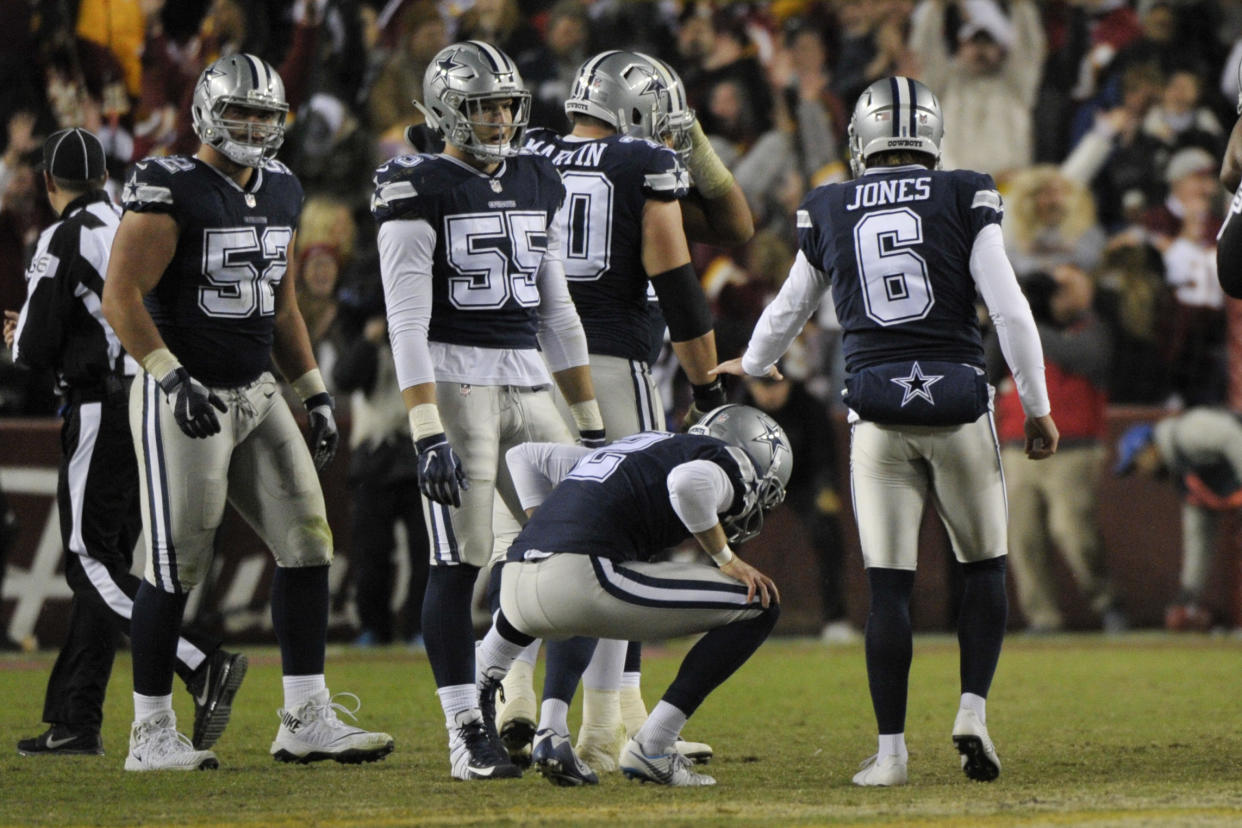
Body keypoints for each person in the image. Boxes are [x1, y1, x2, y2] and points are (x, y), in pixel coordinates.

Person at [714, 76, 1059, 787]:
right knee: (984, 566)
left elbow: (788, 308)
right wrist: (1039, 404)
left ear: (861, 140)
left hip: (876, 414)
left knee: (889, 588)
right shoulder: (965, 192)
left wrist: (754, 363)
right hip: (960, 403)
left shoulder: (831, 205)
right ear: (931, 135)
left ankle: (893, 753)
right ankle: (972, 710)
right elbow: (1011, 310)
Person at [101, 54, 393, 772]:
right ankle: (151, 733)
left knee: (308, 542)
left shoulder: (286, 187)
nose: (256, 126)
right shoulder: (172, 187)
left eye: (266, 114)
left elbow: (282, 304)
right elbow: (121, 296)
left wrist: (315, 390)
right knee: (175, 563)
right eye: (242, 112)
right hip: (184, 389)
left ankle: (304, 717)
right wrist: (170, 378)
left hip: (257, 389)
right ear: (206, 111)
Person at [372, 40, 604, 781]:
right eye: (482, 105)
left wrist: (591, 420)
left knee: (579, 544)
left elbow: (556, 309)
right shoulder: (414, 185)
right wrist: (426, 429)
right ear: (446, 109)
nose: (499, 118)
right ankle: (463, 729)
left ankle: (548, 719)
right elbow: (406, 321)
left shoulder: (538, 175)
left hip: (530, 381)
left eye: (506, 104)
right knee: (459, 559)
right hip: (455, 382)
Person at [510, 49, 729, 778]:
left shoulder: (525, 146)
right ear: (635, 113)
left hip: (513, 367)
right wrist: (708, 389)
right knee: (618, 544)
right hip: (605, 367)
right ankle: (605, 723)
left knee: (530, 539)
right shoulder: (638, 162)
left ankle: (511, 698)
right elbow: (679, 286)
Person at [7, 127, 245, 757]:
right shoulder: (129, 217)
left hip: (98, 405)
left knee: (88, 559)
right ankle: (75, 718)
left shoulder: (63, 233)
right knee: (106, 560)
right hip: (147, 397)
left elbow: (33, 347)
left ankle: (196, 661)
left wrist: (17, 334)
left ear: (47, 184)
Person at [475, 404, 789, 787]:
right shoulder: (727, 461)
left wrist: (543, 523)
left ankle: (492, 722)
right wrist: (726, 559)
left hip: (516, 580)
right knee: (761, 604)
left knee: (608, 575)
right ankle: (653, 747)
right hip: (580, 579)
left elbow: (524, 457)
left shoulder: (637, 447)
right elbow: (688, 485)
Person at [987, 266, 1125, 634]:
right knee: (1024, 535)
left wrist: (1023, 322)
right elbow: (987, 367)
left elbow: (1087, 358)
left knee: (1072, 530)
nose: (1057, 294)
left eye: (1066, 286)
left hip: (1073, 448)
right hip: (1019, 446)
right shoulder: (1016, 328)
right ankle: (1043, 616)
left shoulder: (1092, 330)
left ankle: (1106, 602)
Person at [1114, 408, 1242, 631]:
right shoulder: (1185, 477)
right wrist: (1189, 592)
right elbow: (1199, 537)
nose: (1141, 471)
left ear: (1149, 449)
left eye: (1137, 463)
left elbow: (1232, 436)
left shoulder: (1185, 431)